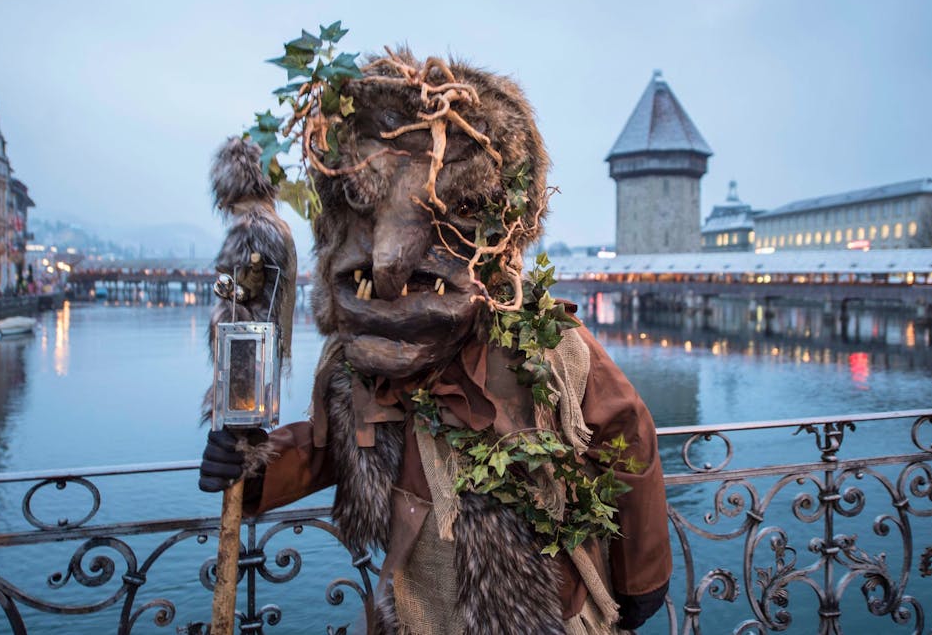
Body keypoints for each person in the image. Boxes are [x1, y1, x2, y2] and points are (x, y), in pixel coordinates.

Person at [199, 48, 671, 634]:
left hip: (542, 612)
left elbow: (626, 440)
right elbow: (327, 447)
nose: (392, 262)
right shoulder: (357, 366)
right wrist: (254, 468)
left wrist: (641, 577)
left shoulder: (546, 347)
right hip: (417, 610)